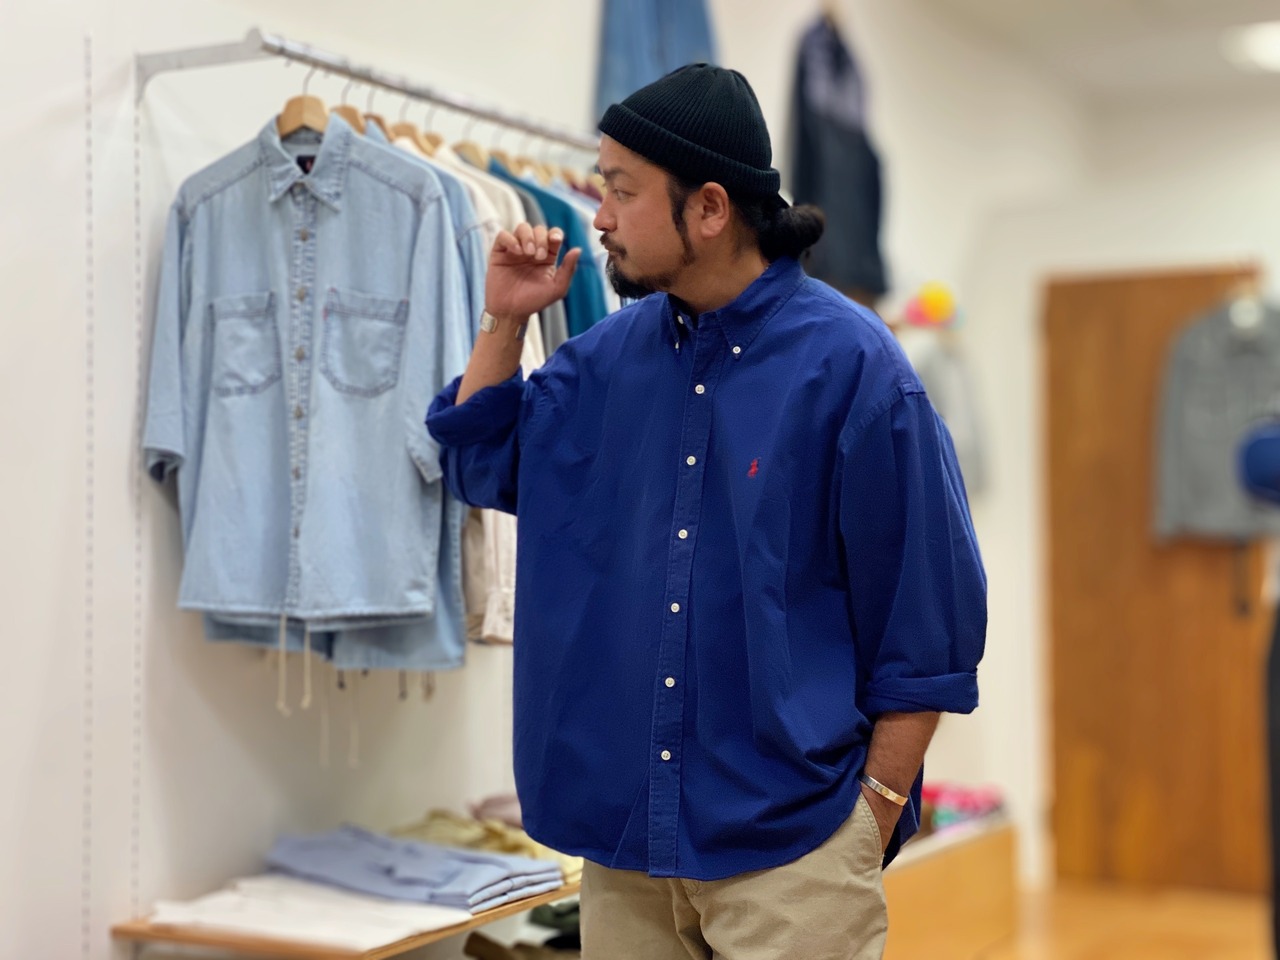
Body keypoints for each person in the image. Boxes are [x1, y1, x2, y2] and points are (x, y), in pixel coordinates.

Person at [427, 64, 986, 960]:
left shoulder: (855, 368)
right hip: (624, 853)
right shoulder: (602, 363)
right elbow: (478, 462)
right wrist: (505, 323)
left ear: (712, 208)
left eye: (622, 190)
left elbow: (930, 632)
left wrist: (871, 818)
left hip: (793, 854)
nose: (599, 216)